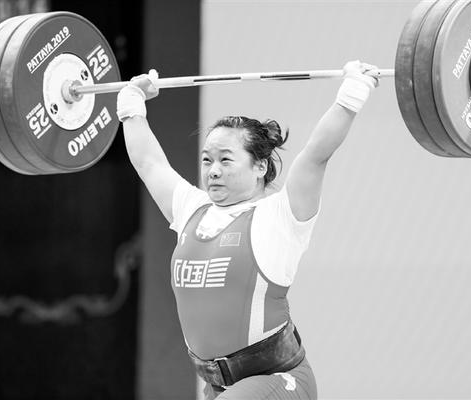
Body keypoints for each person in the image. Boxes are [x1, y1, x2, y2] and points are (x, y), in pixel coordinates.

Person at [116, 61, 378, 400]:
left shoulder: (280, 215)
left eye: (226, 160)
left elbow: (316, 155)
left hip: (277, 379)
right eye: (207, 160)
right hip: (219, 387)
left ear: (260, 166)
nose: (213, 170)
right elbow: (149, 162)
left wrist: (352, 93)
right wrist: (132, 106)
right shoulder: (191, 209)